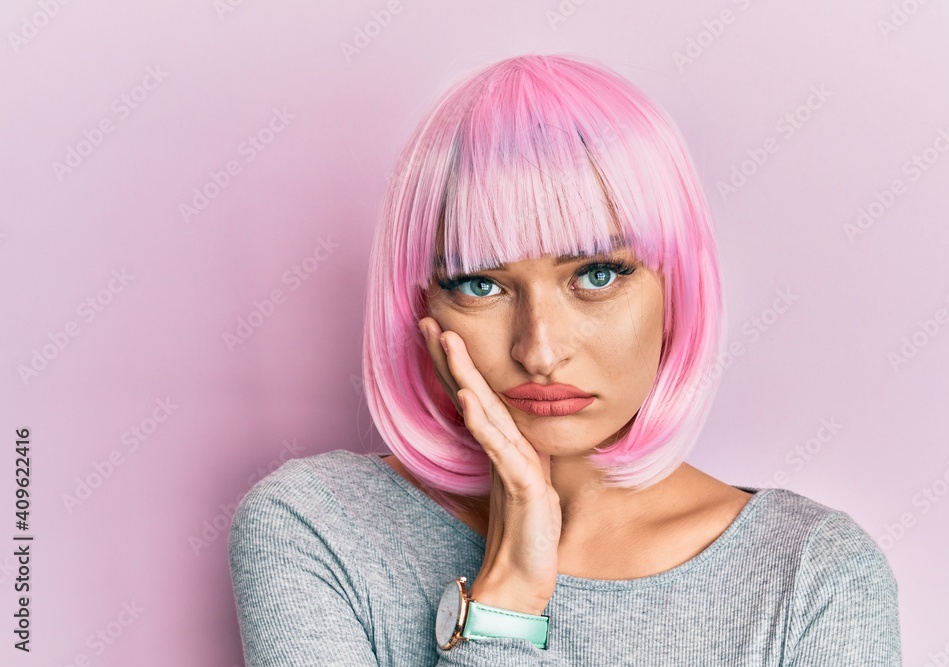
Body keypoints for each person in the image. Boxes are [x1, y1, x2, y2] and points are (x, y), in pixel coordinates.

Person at [228, 53, 902, 666]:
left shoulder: (813, 576)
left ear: (676, 290)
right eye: (481, 284)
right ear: (420, 306)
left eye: (598, 275)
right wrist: (508, 597)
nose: (541, 349)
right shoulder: (319, 528)